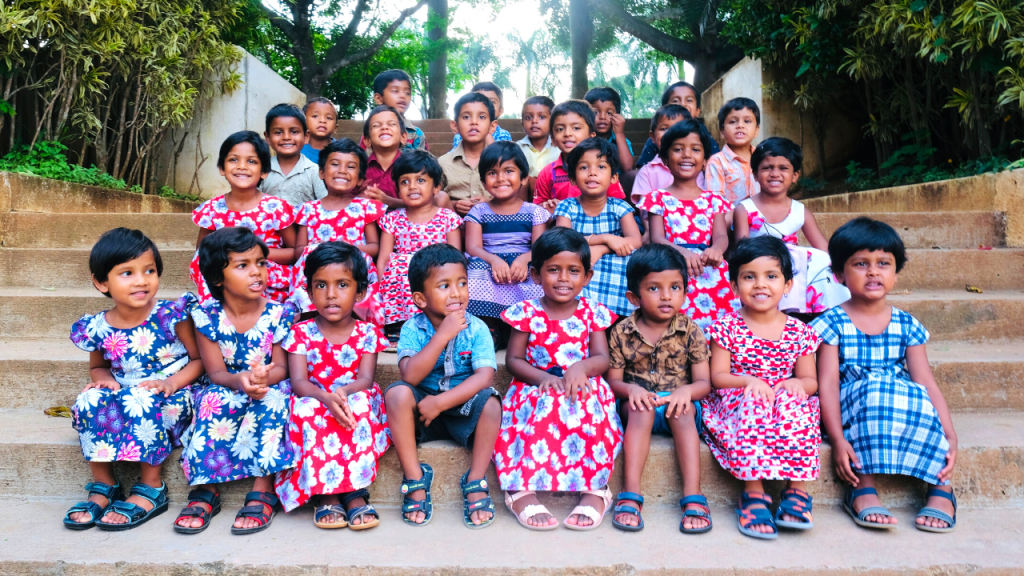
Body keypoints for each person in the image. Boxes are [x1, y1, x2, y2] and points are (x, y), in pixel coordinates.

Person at [811, 218, 959, 534]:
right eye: (861, 264)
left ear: (895, 273)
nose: (873, 272)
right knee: (874, 394)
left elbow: (925, 381)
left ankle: (940, 485)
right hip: (856, 402)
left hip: (902, 399)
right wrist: (836, 439)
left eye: (883, 264)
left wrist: (949, 432)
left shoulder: (906, 324)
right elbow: (827, 383)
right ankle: (863, 486)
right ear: (839, 275)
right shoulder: (832, 323)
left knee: (918, 398)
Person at [64, 228, 203, 531]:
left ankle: (152, 486)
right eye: (127, 273)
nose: (141, 280)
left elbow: (198, 360)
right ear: (102, 282)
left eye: (149, 270)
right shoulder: (98, 326)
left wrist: (172, 383)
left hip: (170, 397)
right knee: (88, 399)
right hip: (126, 395)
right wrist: (104, 381)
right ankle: (105, 484)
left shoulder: (170, 314)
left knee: (141, 399)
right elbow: (98, 367)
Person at [495, 227, 622, 531]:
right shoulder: (527, 312)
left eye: (573, 271)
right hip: (536, 385)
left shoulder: (593, 312)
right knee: (536, 414)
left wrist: (581, 367)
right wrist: (541, 378)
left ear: (587, 277)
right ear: (536, 276)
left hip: (582, 385)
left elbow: (602, 358)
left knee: (590, 412)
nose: (564, 278)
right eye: (553, 270)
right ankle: (520, 488)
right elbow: (513, 359)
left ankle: (595, 487)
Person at [175, 227, 295, 536]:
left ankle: (264, 486)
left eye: (261, 263)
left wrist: (263, 376)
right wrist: (239, 381)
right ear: (218, 278)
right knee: (213, 399)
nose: (257, 272)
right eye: (243, 265)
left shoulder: (280, 314)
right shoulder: (206, 316)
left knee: (272, 399)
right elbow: (215, 373)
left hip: (268, 384)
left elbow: (283, 367)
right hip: (227, 384)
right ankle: (206, 486)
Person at [701, 236, 823, 540]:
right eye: (749, 277)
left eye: (771, 276)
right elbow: (718, 376)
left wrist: (796, 383)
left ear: (788, 285)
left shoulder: (800, 331)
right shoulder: (726, 327)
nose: (760, 285)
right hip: (739, 400)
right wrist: (750, 381)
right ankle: (753, 493)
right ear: (733, 286)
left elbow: (811, 381)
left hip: (781, 400)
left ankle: (796, 491)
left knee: (795, 402)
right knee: (756, 403)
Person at [384, 244, 501, 529]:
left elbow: (484, 377)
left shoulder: (477, 328)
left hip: (462, 408)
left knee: (492, 403)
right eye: (444, 286)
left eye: (462, 283)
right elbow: (409, 377)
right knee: (397, 393)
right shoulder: (413, 328)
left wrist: (442, 402)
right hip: (421, 409)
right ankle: (414, 478)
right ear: (420, 299)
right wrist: (442, 335)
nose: (456, 293)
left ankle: (475, 479)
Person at [275, 242, 391, 529]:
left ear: (360, 292)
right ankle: (326, 494)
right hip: (313, 395)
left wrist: (344, 393)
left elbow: (364, 379)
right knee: (311, 410)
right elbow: (300, 382)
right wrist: (325, 397)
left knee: (359, 404)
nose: (331, 294)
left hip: (353, 392)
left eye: (342, 284)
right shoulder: (301, 332)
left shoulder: (366, 333)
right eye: (321, 285)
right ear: (309, 291)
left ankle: (354, 491)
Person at [606, 244, 713, 534]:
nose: (666, 296)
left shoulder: (691, 330)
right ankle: (630, 493)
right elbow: (613, 381)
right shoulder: (621, 331)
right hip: (637, 406)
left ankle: (693, 495)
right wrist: (631, 391)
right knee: (640, 412)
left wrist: (686, 392)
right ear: (633, 297)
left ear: (685, 292)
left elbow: (704, 382)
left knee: (684, 411)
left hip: (678, 405)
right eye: (654, 288)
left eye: (675, 287)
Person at [636, 120, 739, 332]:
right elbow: (657, 238)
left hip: (705, 263)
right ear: (665, 158)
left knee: (726, 286)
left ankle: (717, 347)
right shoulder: (658, 198)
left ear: (705, 159)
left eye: (695, 149)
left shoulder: (714, 199)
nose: (686, 155)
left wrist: (716, 250)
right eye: (678, 149)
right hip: (671, 264)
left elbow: (721, 236)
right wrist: (682, 253)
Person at [734, 137, 850, 314]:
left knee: (823, 260)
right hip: (760, 266)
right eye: (767, 168)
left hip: (792, 270)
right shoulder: (745, 209)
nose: (775, 173)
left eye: (783, 168)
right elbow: (741, 250)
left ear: (795, 175)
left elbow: (823, 248)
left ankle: (824, 310)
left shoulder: (799, 210)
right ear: (755, 174)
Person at [189, 131, 297, 305]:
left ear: (264, 172)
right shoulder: (212, 209)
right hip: (228, 278)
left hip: (266, 275)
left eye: (252, 161)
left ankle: (269, 313)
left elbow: (295, 252)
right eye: (233, 159)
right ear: (222, 168)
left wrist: (255, 255)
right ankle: (216, 313)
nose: (242, 166)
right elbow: (203, 252)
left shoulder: (276, 208)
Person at [464, 142, 550, 348]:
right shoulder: (478, 212)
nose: (501, 178)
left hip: (523, 262)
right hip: (490, 262)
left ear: (522, 178)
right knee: (476, 266)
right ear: (484, 182)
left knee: (538, 271)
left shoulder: (534, 212)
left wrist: (524, 258)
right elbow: (472, 247)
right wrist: (493, 260)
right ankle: (489, 329)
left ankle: (521, 328)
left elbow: (540, 247)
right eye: (492, 173)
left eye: (509, 171)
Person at [291, 138, 385, 324]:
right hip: (318, 266)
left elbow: (374, 247)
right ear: (321, 172)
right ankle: (309, 319)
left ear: (359, 178)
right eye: (334, 164)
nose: (342, 170)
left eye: (351, 167)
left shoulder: (365, 207)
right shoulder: (308, 209)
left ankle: (358, 323)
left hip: (353, 265)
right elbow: (299, 251)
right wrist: (324, 251)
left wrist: (344, 249)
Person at [553, 137, 641, 318]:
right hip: (578, 261)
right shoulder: (567, 206)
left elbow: (635, 241)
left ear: (614, 177)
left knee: (630, 263)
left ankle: (618, 319)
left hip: (612, 262)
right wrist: (603, 238)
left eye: (601, 167)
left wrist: (600, 250)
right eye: (584, 167)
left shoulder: (619, 206)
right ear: (573, 179)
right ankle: (582, 317)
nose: (592, 173)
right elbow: (563, 241)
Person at [377, 151, 463, 336]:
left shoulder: (447, 218)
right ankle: (398, 325)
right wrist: (380, 290)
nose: (412, 187)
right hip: (401, 279)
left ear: (436, 186)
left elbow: (456, 257)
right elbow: (384, 259)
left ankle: (435, 323)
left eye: (420, 180)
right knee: (400, 264)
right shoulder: (392, 219)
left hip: (438, 271)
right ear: (398, 190)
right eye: (405, 182)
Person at [533, 100, 626, 212]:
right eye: (560, 129)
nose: (567, 133)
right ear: (553, 139)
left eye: (576, 128)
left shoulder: (603, 169)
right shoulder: (547, 174)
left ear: (591, 136)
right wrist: (548, 206)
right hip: (561, 226)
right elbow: (537, 210)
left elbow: (617, 204)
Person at [635, 81, 720, 169]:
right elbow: (642, 166)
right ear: (665, 107)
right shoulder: (658, 137)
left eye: (689, 100)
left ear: (698, 110)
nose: (683, 104)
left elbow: (717, 161)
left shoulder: (702, 133)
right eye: (675, 100)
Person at [438, 92, 497, 216]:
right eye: (466, 117)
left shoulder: (501, 162)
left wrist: (491, 203)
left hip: (494, 227)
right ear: (455, 126)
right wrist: (453, 205)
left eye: (481, 117)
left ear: (492, 126)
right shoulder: (443, 163)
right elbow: (432, 200)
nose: (474, 122)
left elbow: (515, 199)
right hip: (454, 227)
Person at [631, 104, 703, 203]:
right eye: (664, 129)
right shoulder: (646, 173)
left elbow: (702, 204)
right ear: (652, 137)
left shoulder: (693, 168)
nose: (671, 133)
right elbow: (646, 214)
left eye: (678, 128)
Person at [260, 103, 328, 207]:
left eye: (294, 132)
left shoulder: (314, 171)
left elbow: (324, 205)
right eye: (278, 132)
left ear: (306, 136)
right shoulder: (262, 170)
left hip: (304, 223)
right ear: (267, 137)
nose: (286, 137)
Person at [705, 97, 761, 207]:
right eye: (733, 121)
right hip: (730, 222)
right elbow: (715, 203)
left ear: (756, 130)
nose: (740, 125)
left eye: (747, 121)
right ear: (722, 131)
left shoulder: (763, 158)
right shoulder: (717, 162)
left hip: (764, 221)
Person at [366, 69, 428, 152]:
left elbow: (423, 162)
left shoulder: (416, 134)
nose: (402, 96)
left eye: (407, 93)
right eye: (395, 91)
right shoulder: (370, 132)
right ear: (378, 98)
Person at [517, 95, 560, 196]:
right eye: (528, 117)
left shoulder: (559, 148)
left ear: (553, 122)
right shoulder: (517, 149)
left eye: (541, 117)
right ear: (522, 124)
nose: (534, 121)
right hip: (525, 198)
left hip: (554, 196)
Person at [585, 86, 635, 171]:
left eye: (609, 113)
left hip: (617, 181)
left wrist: (619, 134)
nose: (602, 117)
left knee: (632, 176)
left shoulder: (621, 141)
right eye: (595, 112)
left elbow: (628, 168)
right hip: (590, 180)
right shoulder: (583, 139)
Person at [452, 81, 513, 148]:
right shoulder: (461, 133)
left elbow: (501, 156)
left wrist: (485, 133)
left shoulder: (503, 135)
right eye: (480, 100)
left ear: (500, 110)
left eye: (492, 102)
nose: (485, 105)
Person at [300, 97, 337, 163]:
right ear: (303, 122)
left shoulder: (341, 151)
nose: (322, 121)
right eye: (315, 116)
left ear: (335, 127)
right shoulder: (297, 149)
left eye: (328, 118)